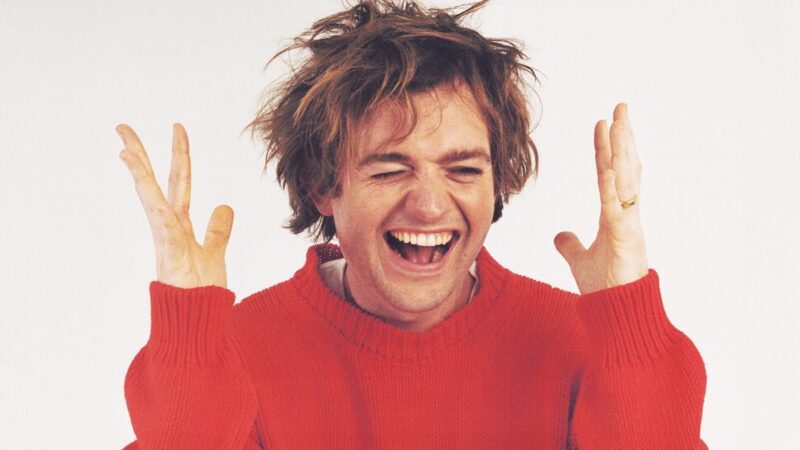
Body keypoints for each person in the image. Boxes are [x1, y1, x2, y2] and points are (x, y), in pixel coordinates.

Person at [117, 1, 707, 448]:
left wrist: (629, 321)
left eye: (463, 169)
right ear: (323, 186)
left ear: (496, 184)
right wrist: (187, 341)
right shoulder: (235, 354)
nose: (428, 206)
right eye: (390, 170)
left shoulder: (582, 345)